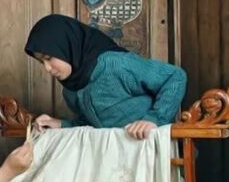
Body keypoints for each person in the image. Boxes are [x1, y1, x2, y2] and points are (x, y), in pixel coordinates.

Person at [24, 15, 187, 139]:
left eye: (48, 58)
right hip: (115, 156)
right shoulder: (70, 90)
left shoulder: (114, 64)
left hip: (149, 147)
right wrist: (60, 124)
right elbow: (92, 124)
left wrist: (154, 119)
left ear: (67, 46)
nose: (47, 68)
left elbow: (175, 76)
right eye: (41, 62)